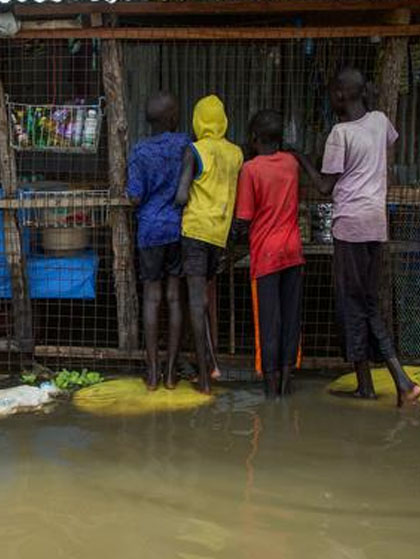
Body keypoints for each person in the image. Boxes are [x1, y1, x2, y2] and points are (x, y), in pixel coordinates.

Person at [289, 67, 420, 407]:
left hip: (350, 225)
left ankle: (402, 379)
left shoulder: (340, 133)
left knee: (357, 305)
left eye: (333, 92)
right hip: (376, 224)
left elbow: (324, 186)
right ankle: (365, 383)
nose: (331, 98)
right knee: (365, 302)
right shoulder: (379, 121)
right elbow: (389, 139)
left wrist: (300, 157)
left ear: (342, 95)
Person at [175, 94, 244, 393]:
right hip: (220, 234)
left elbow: (180, 195)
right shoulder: (236, 153)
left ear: (197, 121)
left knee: (194, 300)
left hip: (195, 232)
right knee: (203, 299)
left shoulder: (194, 150)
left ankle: (204, 377)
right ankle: (213, 363)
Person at [234, 109, 304, 398]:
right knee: (290, 319)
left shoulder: (251, 170)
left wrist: (229, 244)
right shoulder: (291, 163)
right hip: (293, 250)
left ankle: (271, 390)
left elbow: (243, 218)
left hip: (266, 254)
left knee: (268, 322)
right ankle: (287, 383)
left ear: (253, 138)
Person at [126, 92, 190, 390]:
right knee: (175, 298)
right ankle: (171, 374)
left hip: (150, 231)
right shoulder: (185, 145)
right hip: (178, 229)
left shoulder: (140, 151)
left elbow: (135, 196)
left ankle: (151, 374)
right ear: (173, 118)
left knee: (152, 298)